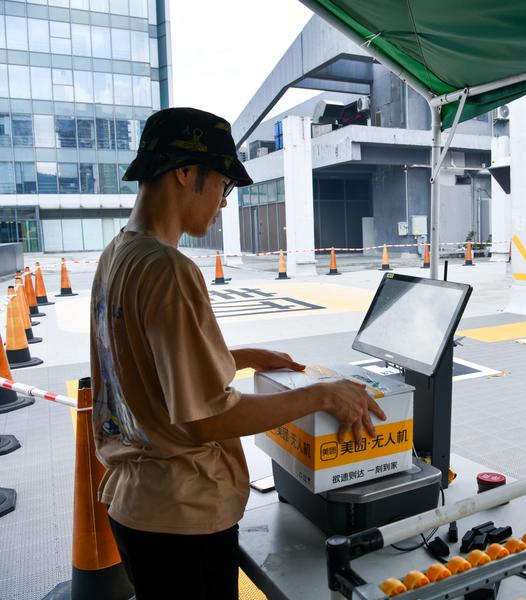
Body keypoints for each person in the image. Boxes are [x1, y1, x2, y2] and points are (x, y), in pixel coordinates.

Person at [89, 107, 385, 599]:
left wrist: (242, 355)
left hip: (136, 505)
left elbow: (144, 362)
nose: (224, 204)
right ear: (185, 173)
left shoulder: (118, 254)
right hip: (182, 513)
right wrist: (323, 396)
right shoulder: (169, 268)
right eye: (224, 186)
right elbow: (206, 420)